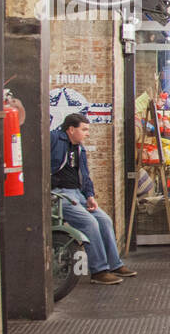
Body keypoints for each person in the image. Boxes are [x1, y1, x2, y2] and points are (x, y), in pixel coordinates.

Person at [50, 113, 136, 286]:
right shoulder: (54, 139)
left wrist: (90, 196)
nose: (87, 133)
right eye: (84, 129)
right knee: (90, 223)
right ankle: (99, 271)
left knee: (104, 220)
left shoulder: (80, 148)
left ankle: (114, 264)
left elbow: (85, 176)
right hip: (59, 194)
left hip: (77, 193)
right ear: (71, 129)